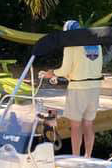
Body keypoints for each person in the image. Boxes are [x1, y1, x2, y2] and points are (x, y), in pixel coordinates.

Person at [39, 20, 102, 157]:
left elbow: (65, 69)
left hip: (78, 88)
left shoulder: (71, 45)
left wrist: (51, 73)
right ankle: (88, 156)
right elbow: (91, 67)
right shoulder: (96, 44)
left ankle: (75, 158)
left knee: (75, 126)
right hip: (95, 88)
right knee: (88, 124)